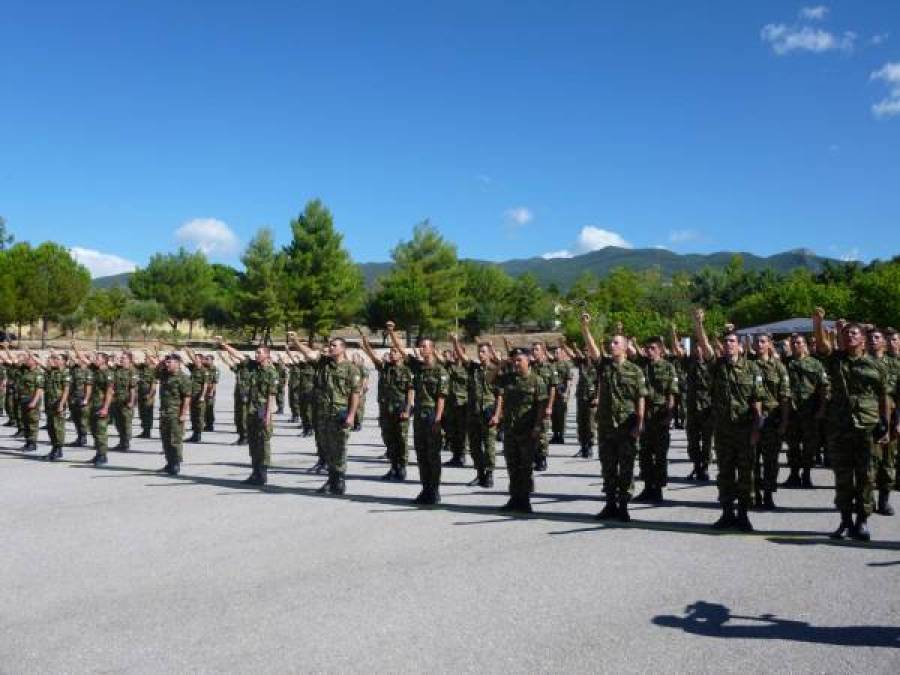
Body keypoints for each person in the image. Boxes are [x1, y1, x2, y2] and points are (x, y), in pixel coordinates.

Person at [814, 310, 889, 541]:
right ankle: (845, 521)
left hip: (868, 427)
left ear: (863, 338)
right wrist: (817, 323)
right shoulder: (835, 359)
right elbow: (822, 346)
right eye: (846, 334)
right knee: (843, 477)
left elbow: (883, 397)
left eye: (854, 334)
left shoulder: (876, 365)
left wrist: (885, 424)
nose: (849, 337)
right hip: (840, 427)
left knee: (866, 476)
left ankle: (862, 520)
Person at [693, 309, 764, 532]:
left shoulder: (751, 368)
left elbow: (757, 400)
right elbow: (704, 345)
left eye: (732, 341)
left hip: (744, 430)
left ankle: (743, 515)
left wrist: (757, 428)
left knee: (745, 474)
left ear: (740, 346)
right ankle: (726, 513)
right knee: (725, 473)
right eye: (726, 342)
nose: (728, 344)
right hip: (723, 431)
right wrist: (698, 324)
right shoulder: (717, 366)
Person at [581, 313, 647, 521]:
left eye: (616, 343)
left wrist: (640, 423)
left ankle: (624, 506)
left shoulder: (635, 371)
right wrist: (585, 328)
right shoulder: (605, 366)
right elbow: (592, 348)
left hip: (627, 426)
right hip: (607, 426)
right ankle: (610, 504)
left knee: (626, 468)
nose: (612, 345)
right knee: (608, 467)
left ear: (625, 347)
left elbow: (641, 397)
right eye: (611, 342)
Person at [387, 322, 447, 505]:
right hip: (420, 416)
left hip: (432, 416)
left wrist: (438, 420)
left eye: (425, 346)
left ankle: (434, 490)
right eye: (420, 346)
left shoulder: (440, 371)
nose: (421, 349)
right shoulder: (418, 367)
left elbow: (441, 397)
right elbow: (401, 349)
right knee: (421, 454)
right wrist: (392, 332)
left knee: (433, 455)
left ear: (432, 349)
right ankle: (425, 488)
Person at [293, 334, 361, 495]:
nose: (330, 347)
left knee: (339, 447)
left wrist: (351, 415)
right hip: (323, 413)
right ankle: (332, 479)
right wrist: (296, 341)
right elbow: (309, 354)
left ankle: (339, 481)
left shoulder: (351, 369)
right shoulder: (324, 363)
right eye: (330, 345)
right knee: (326, 447)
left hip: (339, 413)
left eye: (334, 345)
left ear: (343, 348)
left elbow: (355, 394)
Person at [359, 328, 414, 481]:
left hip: (400, 409)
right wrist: (365, 343)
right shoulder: (385, 368)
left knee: (401, 440)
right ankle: (393, 467)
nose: (392, 354)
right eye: (390, 352)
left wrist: (407, 410)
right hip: (386, 410)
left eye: (395, 352)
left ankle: (402, 467)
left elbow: (410, 392)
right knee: (389, 439)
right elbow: (372, 355)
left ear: (401, 355)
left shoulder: (407, 371)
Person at [495, 347, 542, 513]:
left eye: (519, 360)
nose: (516, 363)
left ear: (528, 360)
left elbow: (541, 405)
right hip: (510, 429)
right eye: (514, 360)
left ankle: (525, 500)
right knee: (512, 465)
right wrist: (500, 364)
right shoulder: (508, 378)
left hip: (527, 430)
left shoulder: (536, 380)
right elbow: (489, 379)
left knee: (525, 466)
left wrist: (538, 426)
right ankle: (514, 498)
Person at [450, 334, 499, 488]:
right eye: (479, 352)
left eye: (483, 352)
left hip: (488, 412)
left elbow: (500, 395)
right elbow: (462, 357)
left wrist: (497, 415)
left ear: (490, 354)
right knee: (474, 446)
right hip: (473, 413)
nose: (480, 354)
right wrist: (455, 342)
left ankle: (489, 473)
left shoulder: (495, 370)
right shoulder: (474, 368)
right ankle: (480, 473)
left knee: (489, 445)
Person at [633, 336, 678, 503]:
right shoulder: (642, 367)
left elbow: (672, 393)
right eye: (647, 348)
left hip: (660, 417)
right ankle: (647, 487)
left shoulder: (668, 367)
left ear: (660, 349)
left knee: (660, 456)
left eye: (652, 348)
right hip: (646, 417)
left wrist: (670, 416)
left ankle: (657, 490)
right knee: (644, 454)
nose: (649, 351)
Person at [750, 333, 791, 510]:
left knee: (771, 461)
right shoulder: (748, 365)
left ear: (769, 344)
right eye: (757, 342)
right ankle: (754, 493)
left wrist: (784, 422)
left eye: (763, 341)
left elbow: (785, 397)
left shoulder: (779, 367)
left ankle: (768, 494)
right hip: (752, 419)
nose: (759, 344)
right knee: (752, 459)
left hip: (772, 420)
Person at [784, 334, 828, 488]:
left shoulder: (815, 364)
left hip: (810, 411)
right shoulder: (785, 363)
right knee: (793, 445)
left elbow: (823, 387)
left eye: (799, 342)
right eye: (793, 343)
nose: (796, 345)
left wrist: (822, 408)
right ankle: (794, 474)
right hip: (791, 411)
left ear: (805, 345)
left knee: (809, 446)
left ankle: (807, 474)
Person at [156, 353, 191, 475]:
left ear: (178, 363)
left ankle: (176, 463)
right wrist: (162, 361)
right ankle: (169, 462)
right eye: (166, 362)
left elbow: (187, 397)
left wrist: (183, 414)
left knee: (175, 439)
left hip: (175, 413)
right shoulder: (164, 374)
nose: (167, 364)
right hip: (164, 412)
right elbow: (155, 371)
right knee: (165, 439)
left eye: (169, 362)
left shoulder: (183, 378)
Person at [218, 339, 252, 446]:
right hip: (239, 395)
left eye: (242, 359)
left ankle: (246, 437)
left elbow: (237, 355)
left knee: (244, 417)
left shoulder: (250, 367)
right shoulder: (240, 369)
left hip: (246, 396)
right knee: (238, 417)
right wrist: (223, 356)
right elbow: (230, 363)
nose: (240, 360)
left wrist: (224, 345)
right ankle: (241, 436)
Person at [442, 348, 469, 467]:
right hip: (450, 403)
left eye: (457, 352)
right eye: (454, 353)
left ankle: (462, 455)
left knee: (461, 431)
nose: (455, 355)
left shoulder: (468, 368)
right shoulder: (449, 366)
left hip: (462, 404)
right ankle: (455, 456)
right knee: (451, 431)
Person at [43, 352, 70, 461]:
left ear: (63, 361)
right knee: (50, 427)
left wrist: (61, 404)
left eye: (58, 359)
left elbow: (66, 390)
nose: (56, 360)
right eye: (55, 359)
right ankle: (54, 448)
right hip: (50, 403)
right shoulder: (52, 372)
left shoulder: (65, 373)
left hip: (58, 403)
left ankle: (58, 449)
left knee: (58, 427)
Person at [88, 352, 114, 465]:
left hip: (101, 405)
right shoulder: (96, 371)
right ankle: (98, 453)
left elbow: (109, 391)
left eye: (97, 358)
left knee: (101, 431)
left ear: (104, 360)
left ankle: (103, 455)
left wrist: (105, 408)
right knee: (94, 430)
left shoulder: (108, 373)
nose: (95, 360)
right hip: (93, 405)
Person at [66, 343, 93, 447]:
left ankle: (83, 438)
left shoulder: (88, 371)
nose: (78, 359)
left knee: (83, 420)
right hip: (73, 398)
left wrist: (86, 399)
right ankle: (79, 437)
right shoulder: (74, 369)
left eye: (80, 358)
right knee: (75, 419)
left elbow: (88, 387)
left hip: (82, 397)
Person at [17, 351, 45, 453]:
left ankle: (33, 443)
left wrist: (34, 401)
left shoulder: (38, 373)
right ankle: (28, 441)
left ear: (35, 361)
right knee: (25, 421)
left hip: (32, 399)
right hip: (24, 399)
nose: (27, 361)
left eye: (30, 359)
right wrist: (25, 355)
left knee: (32, 422)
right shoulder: (25, 371)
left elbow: (39, 389)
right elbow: (18, 363)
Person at [110, 351, 137, 451]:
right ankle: (122, 441)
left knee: (126, 422)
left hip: (126, 401)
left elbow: (133, 388)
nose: (121, 360)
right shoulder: (117, 370)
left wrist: (131, 401)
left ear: (129, 360)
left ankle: (126, 442)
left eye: (123, 358)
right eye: (121, 358)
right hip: (117, 400)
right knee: (118, 422)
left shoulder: (132, 371)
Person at [184, 348, 209, 443]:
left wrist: (202, 396)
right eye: (194, 359)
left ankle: (198, 435)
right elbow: (185, 361)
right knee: (193, 415)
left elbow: (205, 385)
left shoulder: (204, 371)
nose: (194, 360)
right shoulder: (193, 368)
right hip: (192, 396)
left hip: (199, 397)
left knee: (199, 416)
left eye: (197, 359)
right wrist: (187, 351)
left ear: (201, 360)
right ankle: (194, 434)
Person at [550, 346, 573, 445]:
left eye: (557, 352)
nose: (556, 354)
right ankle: (555, 435)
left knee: (561, 416)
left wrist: (567, 393)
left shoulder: (566, 364)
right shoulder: (552, 364)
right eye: (555, 352)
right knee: (554, 415)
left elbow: (569, 380)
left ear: (562, 353)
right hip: (554, 394)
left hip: (562, 393)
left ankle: (561, 435)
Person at [135, 349, 158, 439]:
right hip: (141, 393)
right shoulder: (142, 368)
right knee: (141, 413)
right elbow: (134, 363)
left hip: (148, 394)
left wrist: (150, 395)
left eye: (146, 359)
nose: (145, 360)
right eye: (145, 359)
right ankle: (144, 430)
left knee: (148, 413)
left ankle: (147, 431)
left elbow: (153, 385)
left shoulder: (153, 370)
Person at [203, 354, 219, 432]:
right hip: (204, 391)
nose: (206, 360)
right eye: (205, 359)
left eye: (207, 359)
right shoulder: (204, 368)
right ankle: (205, 423)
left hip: (210, 391)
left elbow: (215, 381)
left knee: (209, 408)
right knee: (204, 408)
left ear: (212, 360)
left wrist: (212, 391)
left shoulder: (215, 369)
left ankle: (210, 425)